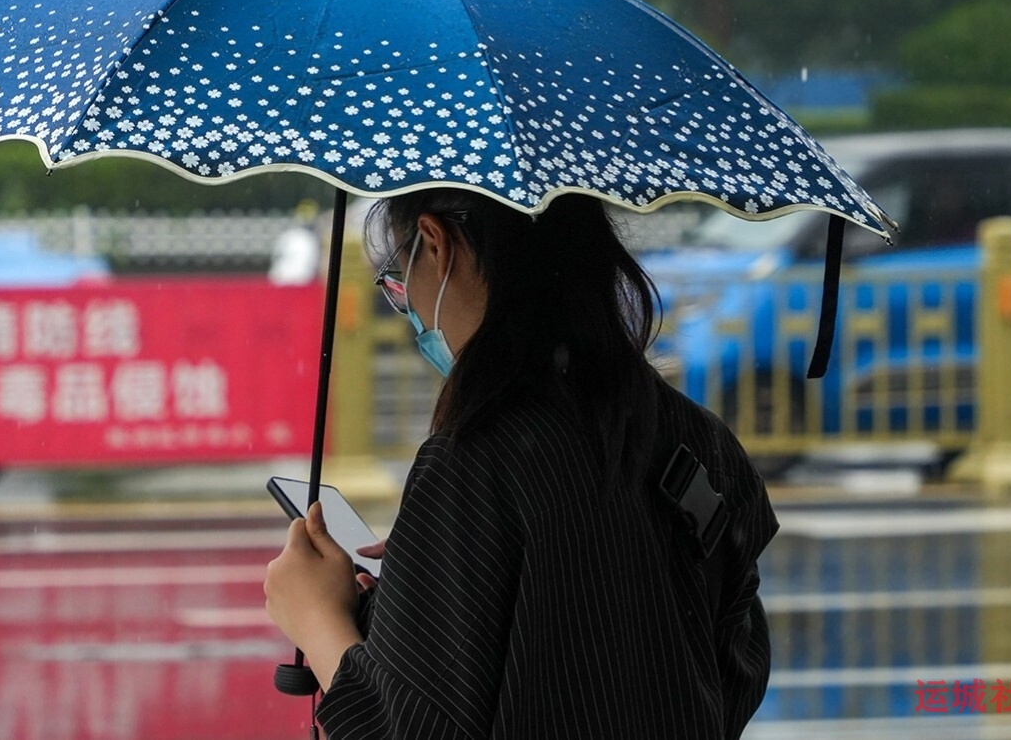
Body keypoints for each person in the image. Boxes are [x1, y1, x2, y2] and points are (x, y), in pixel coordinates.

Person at [264, 190, 777, 739]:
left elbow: (408, 728)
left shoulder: (476, 461)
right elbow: (734, 670)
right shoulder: (697, 439)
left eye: (396, 279)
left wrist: (316, 616)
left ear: (436, 244)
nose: (406, 303)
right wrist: (434, 575)